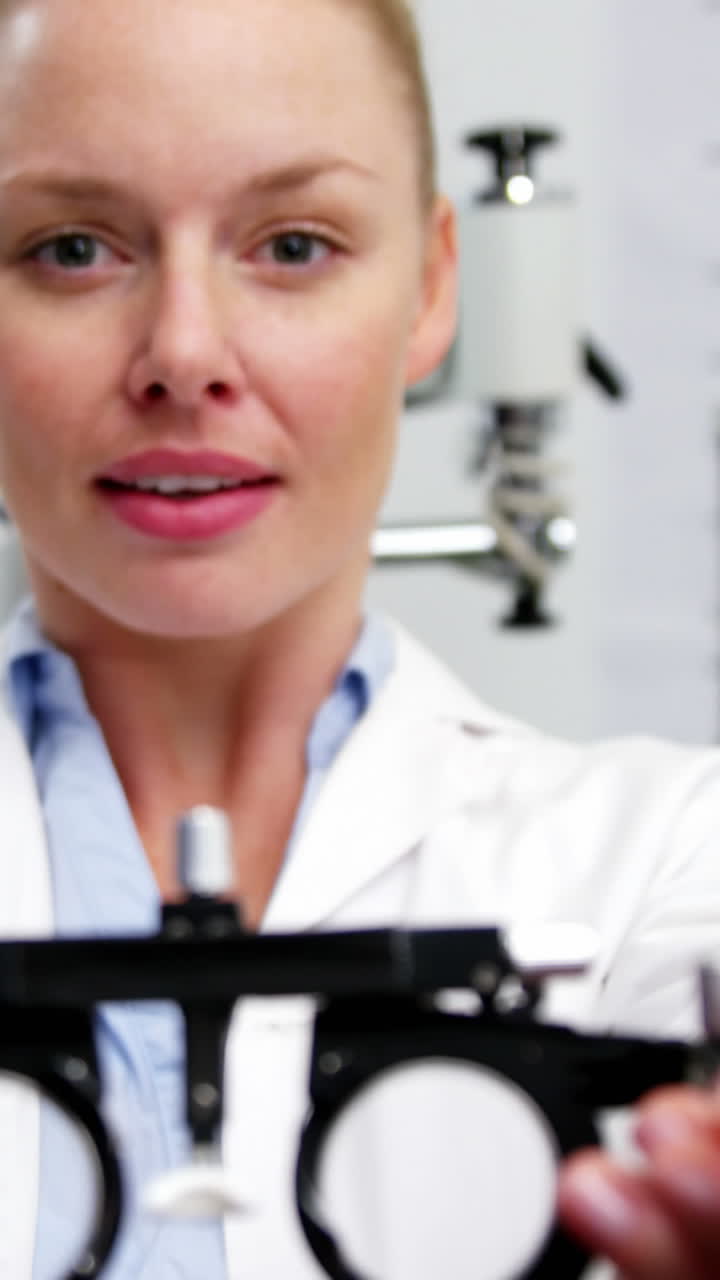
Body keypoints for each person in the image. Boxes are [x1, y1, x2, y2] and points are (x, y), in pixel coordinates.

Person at [0, 0, 718, 1277]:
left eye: (292, 244)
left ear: (431, 287)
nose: (184, 353)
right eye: (71, 248)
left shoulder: (662, 863)